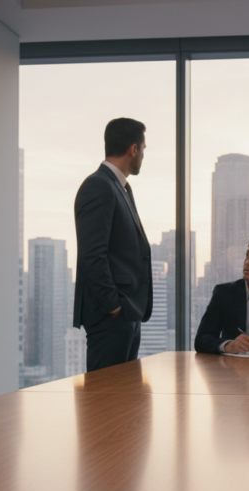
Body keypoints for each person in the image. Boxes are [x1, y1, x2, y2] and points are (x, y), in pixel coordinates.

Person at [72, 118, 153, 372]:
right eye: (143, 148)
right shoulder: (99, 186)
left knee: (125, 400)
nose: (143, 155)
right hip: (111, 316)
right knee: (104, 401)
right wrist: (113, 306)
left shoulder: (119, 187)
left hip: (127, 314)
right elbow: (92, 254)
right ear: (133, 149)